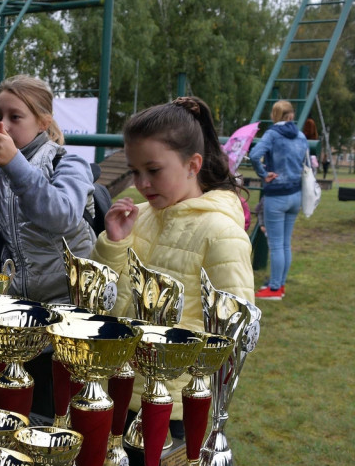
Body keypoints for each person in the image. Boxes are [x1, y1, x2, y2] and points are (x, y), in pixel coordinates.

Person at [92, 96, 253, 437]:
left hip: (174, 406)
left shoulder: (222, 233)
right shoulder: (137, 217)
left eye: (153, 170)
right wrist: (114, 244)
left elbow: (235, 330)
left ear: (193, 165)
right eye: (135, 172)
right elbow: (102, 302)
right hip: (115, 387)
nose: (142, 183)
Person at [0, 75, 96, 304]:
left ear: (43, 122)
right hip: (20, 301)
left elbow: (63, 217)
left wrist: (15, 165)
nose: (3, 125)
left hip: (71, 299)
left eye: (15, 117)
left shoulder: (68, 162)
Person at [248, 100, 309, 300]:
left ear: (275, 115)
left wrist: (263, 173)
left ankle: (274, 289)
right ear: (291, 115)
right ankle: (279, 284)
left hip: (277, 195)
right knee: (285, 244)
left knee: (276, 245)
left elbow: (255, 154)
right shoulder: (301, 136)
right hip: (295, 195)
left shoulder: (272, 134)